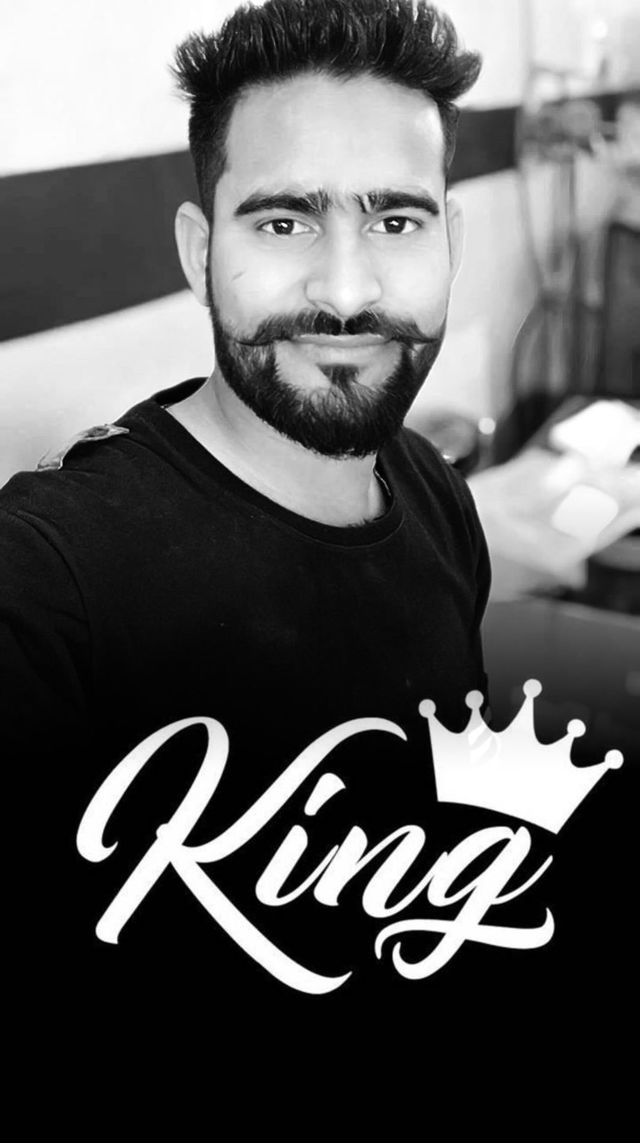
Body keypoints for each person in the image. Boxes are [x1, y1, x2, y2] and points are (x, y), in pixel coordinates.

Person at [2, 0, 491, 1028]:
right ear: (198, 253)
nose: (347, 292)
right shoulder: (50, 579)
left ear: (452, 240)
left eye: (395, 220)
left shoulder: (435, 493)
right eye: (283, 221)